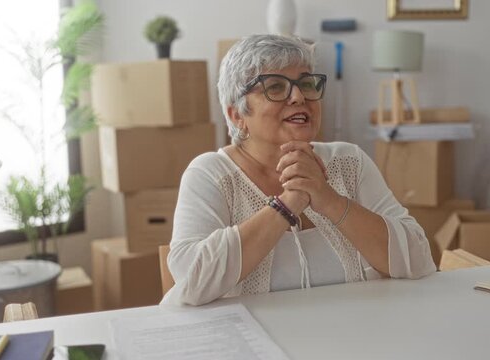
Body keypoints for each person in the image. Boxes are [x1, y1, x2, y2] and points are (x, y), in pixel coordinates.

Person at [162, 34, 436, 306]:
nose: (298, 97)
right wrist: (287, 203)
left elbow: (419, 261)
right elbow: (191, 282)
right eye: (276, 87)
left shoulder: (349, 160)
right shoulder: (210, 174)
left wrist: (328, 198)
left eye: (306, 83)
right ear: (237, 115)